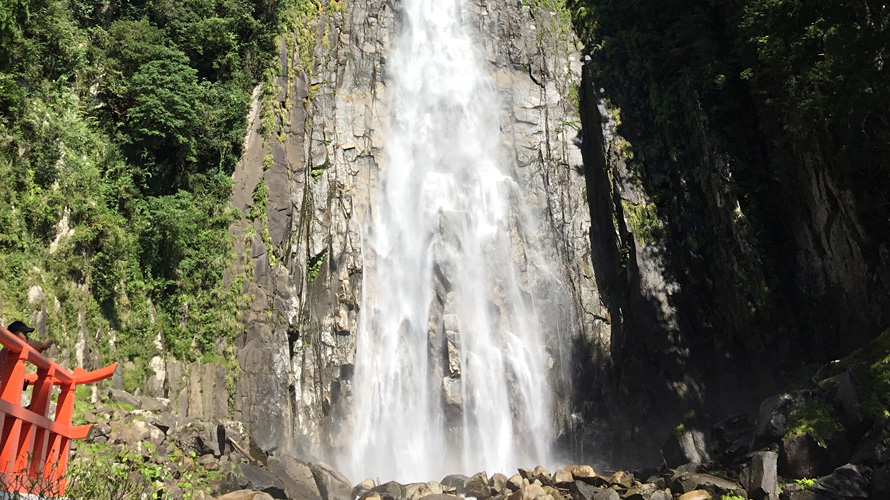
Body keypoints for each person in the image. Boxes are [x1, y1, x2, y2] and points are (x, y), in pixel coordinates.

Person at [0, 320, 54, 388]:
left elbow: (34, 352)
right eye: (24, 334)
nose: (27, 337)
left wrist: (42, 347)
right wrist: (43, 344)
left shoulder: (14, 349)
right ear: (16, 334)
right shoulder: (12, 348)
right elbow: (30, 345)